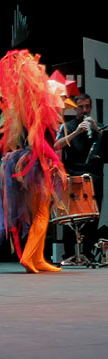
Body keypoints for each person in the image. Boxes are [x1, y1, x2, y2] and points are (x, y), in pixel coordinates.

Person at [0, 50, 66, 273]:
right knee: (41, 212)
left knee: (40, 211)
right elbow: (39, 142)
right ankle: (30, 256)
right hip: (38, 165)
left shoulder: (29, 112)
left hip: (32, 163)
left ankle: (38, 258)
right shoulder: (41, 114)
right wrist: (55, 161)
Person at [54, 93, 106, 260]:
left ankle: (88, 252)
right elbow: (56, 145)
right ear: (75, 109)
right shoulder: (67, 126)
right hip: (74, 175)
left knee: (94, 215)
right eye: (81, 107)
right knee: (73, 216)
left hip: (94, 176)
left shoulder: (99, 128)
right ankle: (70, 252)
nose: (84, 110)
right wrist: (76, 133)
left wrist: (97, 130)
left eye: (87, 107)